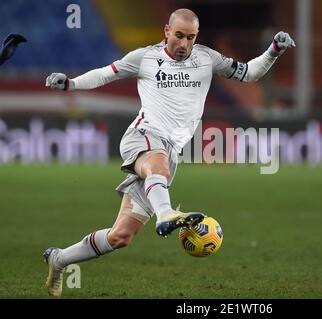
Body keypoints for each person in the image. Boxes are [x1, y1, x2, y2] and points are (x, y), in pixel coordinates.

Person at [43, 8, 295, 297]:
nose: (184, 44)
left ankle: (59, 258)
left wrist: (274, 50)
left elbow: (249, 73)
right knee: (158, 166)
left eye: (190, 37)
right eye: (178, 36)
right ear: (166, 31)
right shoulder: (145, 58)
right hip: (143, 136)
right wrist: (71, 84)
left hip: (168, 154)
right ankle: (166, 214)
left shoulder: (207, 58)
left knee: (121, 236)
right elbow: (105, 74)